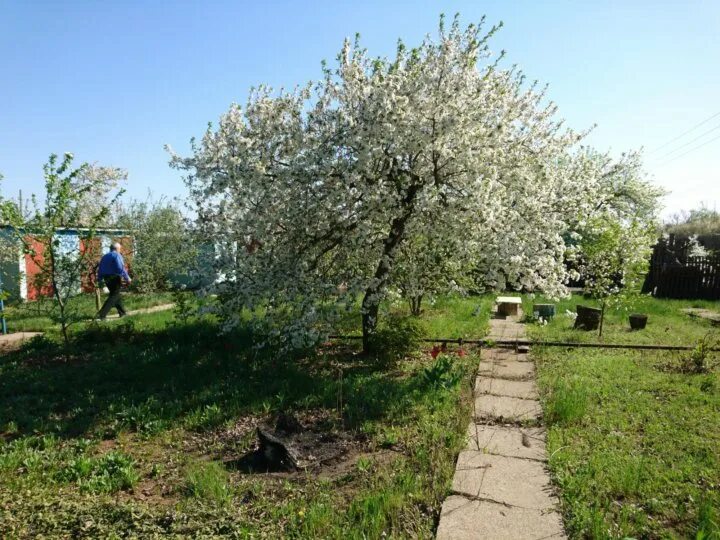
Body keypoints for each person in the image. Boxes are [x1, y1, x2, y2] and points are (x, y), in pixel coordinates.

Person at [97, 242, 132, 320]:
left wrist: (99, 279)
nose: (120, 250)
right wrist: (127, 278)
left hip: (106, 278)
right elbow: (120, 268)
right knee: (114, 295)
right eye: (120, 249)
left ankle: (122, 313)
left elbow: (100, 269)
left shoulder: (104, 257)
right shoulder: (117, 255)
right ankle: (102, 314)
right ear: (117, 249)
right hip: (114, 277)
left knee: (115, 294)